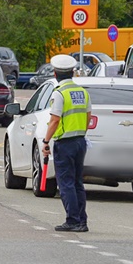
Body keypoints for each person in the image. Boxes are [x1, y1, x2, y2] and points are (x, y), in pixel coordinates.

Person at [41, 54, 92, 232]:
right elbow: (88, 117)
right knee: (77, 182)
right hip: (80, 141)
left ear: (55, 74)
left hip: (65, 143)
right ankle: (82, 221)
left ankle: (72, 220)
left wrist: (46, 141)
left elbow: (54, 120)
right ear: (72, 73)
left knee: (66, 183)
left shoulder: (59, 93)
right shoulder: (82, 92)